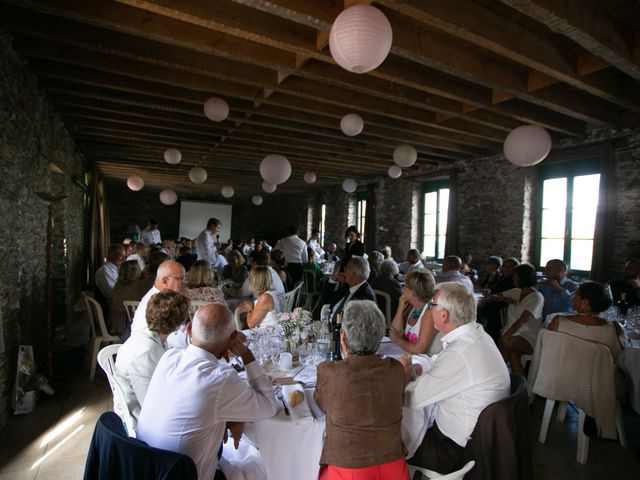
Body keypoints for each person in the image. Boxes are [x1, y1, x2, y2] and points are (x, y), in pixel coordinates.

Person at [137, 304, 278, 480]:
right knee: (260, 461)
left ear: (189, 329)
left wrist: (230, 417)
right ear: (233, 338)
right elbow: (270, 406)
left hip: (146, 467)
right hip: (187, 474)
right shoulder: (221, 378)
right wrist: (246, 354)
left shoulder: (169, 357)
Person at [402, 282, 510, 474]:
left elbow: (412, 398)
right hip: (477, 438)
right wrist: (417, 369)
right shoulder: (475, 334)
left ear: (444, 315)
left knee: (391, 441)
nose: (429, 309)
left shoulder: (461, 353)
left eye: (432, 305)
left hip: (456, 451)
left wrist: (402, 378)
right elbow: (439, 361)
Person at [315, 300, 410, 480]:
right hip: (394, 470)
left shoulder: (328, 372)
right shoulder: (395, 370)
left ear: (343, 337)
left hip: (347, 471)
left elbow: (321, 403)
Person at [114, 291, 189, 427]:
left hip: (145, 409)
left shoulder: (150, 336)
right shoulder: (145, 352)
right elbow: (149, 404)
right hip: (137, 420)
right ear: (178, 325)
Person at [490, 263, 544, 376]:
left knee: (507, 342)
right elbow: (492, 297)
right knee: (514, 356)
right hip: (513, 334)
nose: (513, 277)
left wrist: (505, 337)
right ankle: (521, 389)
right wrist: (503, 299)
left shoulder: (537, 297)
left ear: (522, 277)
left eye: (515, 275)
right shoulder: (516, 292)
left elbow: (522, 320)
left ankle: (495, 374)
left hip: (529, 337)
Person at [548, 281, 623, 357]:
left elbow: (547, 349)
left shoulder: (558, 322)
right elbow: (619, 356)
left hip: (560, 368)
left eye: (575, 295)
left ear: (584, 303)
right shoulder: (615, 329)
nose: (572, 298)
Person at [389, 270, 442, 355]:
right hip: (414, 358)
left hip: (429, 362)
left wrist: (398, 340)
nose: (403, 288)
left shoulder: (430, 311)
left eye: (405, 286)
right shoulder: (412, 307)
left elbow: (420, 350)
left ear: (413, 293)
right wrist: (400, 308)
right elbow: (394, 332)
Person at [131, 260, 186, 334]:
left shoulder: (158, 295)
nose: (184, 282)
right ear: (165, 281)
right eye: (181, 279)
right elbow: (174, 338)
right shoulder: (161, 301)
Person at [328, 256, 375, 322]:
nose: (344, 271)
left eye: (346, 268)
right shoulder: (347, 286)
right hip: (330, 323)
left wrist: (335, 326)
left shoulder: (365, 297)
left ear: (354, 275)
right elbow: (326, 299)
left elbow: (353, 325)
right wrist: (334, 280)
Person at [108, 260, 142, 336]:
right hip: (126, 324)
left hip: (114, 322)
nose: (141, 270)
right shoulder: (135, 286)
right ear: (133, 272)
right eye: (139, 268)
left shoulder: (118, 285)